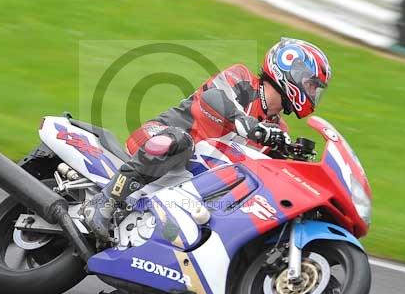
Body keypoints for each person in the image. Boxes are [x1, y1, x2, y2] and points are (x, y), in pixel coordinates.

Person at [83, 37, 332, 241]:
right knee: (179, 142)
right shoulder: (243, 80)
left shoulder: (278, 130)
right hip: (161, 139)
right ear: (292, 71)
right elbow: (213, 96)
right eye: (311, 85)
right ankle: (106, 200)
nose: (313, 93)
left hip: (196, 179)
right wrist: (244, 122)